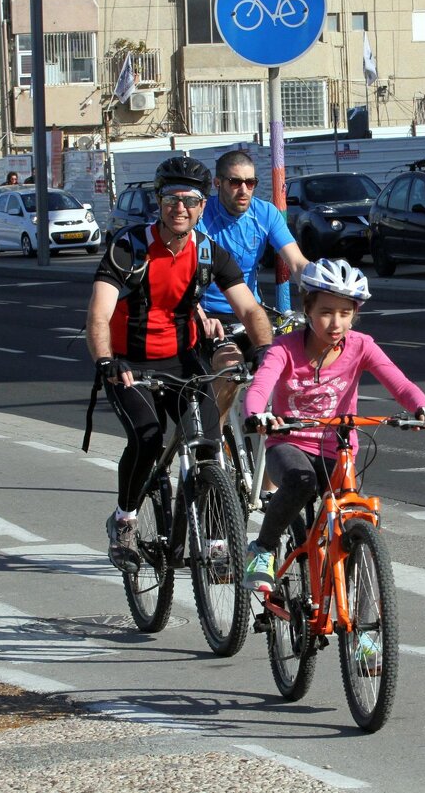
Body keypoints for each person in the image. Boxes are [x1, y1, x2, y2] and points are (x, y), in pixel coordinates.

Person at [86, 156, 273, 573]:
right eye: (172, 198)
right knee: (149, 439)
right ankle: (125, 519)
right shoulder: (128, 248)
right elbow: (98, 314)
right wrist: (105, 361)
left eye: (190, 199)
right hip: (129, 363)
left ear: (203, 205)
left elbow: (250, 309)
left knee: (208, 446)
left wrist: (266, 351)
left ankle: (217, 540)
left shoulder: (209, 253)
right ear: (159, 201)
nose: (181, 207)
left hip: (185, 363)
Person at [241, 259, 425, 594]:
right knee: (301, 483)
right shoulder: (285, 348)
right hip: (289, 443)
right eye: (326, 312)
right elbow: (261, 386)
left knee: (353, 520)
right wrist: (257, 414)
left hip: (338, 447)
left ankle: (357, 620)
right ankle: (262, 549)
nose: (336, 323)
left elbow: (400, 384)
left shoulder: (362, 345)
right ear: (307, 309)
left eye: (346, 313)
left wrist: (422, 407)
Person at [197, 149, 309, 416]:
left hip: (251, 311)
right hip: (210, 314)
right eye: (235, 182)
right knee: (230, 367)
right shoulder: (200, 216)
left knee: (289, 365)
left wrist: (322, 294)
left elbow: (297, 263)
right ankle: (213, 445)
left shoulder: (265, 213)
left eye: (251, 183)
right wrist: (197, 314)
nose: (244, 190)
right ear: (218, 183)